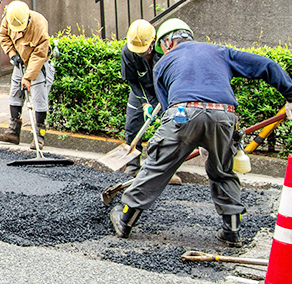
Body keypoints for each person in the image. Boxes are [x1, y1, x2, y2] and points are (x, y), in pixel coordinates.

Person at [110, 18, 292, 247]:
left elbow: (169, 111)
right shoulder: (220, 52)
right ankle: (232, 231)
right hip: (224, 115)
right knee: (223, 169)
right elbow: (268, 65)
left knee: (157, 167)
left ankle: (125, 220)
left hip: (182, 114)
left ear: (166, 42)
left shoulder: (163, 63)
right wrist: (291, 96)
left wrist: (185, 140)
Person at [0, 0, 55, 150]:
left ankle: (39, 136)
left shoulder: (39, 24)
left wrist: (28, 77)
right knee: (15, 93)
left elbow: (40, 54)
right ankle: (13, 131)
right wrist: (12, 54)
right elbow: (3, 36)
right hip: (20, 61)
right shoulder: (8, 18)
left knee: (39, 97)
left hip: (38, 63)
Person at [120, 19, 162, 176]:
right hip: (141, 88)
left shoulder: (163, 50)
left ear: (153, 41)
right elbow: (132, 80)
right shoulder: (128, 52)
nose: (141, 53)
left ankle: (168, 168)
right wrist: (144, 103)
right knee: (132, 126)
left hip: (163, 91)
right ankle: (132, 165)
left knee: (170, 127)